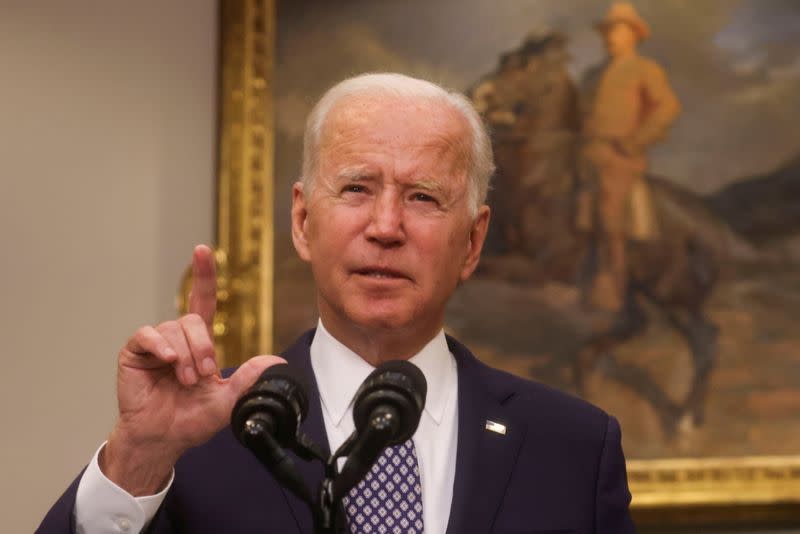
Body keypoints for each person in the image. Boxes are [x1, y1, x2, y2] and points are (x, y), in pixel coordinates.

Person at [39, 73, 635, 533]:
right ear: (302, 222)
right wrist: (137, 459)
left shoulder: (575, 449)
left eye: (423, 197)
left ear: (472, 241)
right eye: (356, 188)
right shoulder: (198, 439)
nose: (385, 226)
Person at [576, 2, 681, 313]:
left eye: (618, 30)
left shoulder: (645, 70)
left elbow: (667, 108)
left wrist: (636, 140)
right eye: (608, 31)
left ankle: (614, 292)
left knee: (610, 219)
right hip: (586, 156)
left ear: (634, 35)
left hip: (619, 158)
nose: (611, 37)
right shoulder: (593, 75)